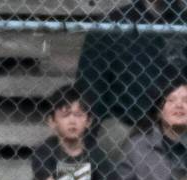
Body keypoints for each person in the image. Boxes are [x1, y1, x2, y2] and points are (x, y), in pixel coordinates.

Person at [75, 0, 187, 162]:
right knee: (113, 136)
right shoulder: (111, 23)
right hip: (125, 122)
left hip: (177, 123)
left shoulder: (182, 22)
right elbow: (90, 90)